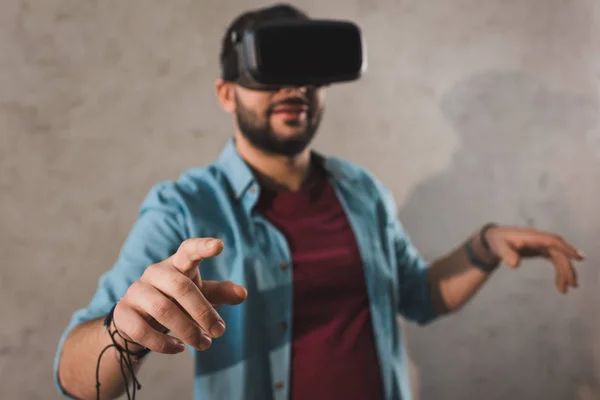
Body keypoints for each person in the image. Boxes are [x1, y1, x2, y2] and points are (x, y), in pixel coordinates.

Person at [53, 4, 585, 400]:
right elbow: (76, 376)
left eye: (308, 71)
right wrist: (127, 329)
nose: (293, 86)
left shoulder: (363, 191)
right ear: (226, 94)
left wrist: (484, 246)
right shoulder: (183, 207)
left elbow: (419, 296)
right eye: (269, 70)